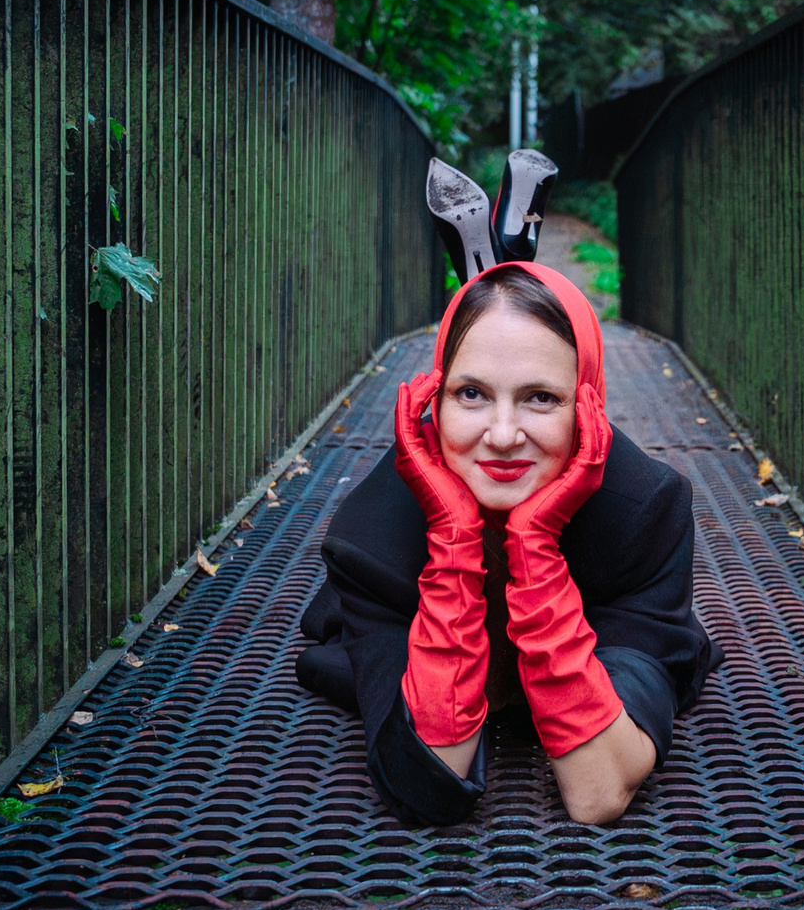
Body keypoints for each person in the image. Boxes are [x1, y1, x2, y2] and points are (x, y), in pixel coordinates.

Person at [296, 261, 719, 825]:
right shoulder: (374, 538)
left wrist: (535, 544)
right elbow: (425, 786)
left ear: (587, 407)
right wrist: (452, 542)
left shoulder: (644, 511)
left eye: (540, 398)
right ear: (434, 400)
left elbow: (598, 792)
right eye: (470, 393)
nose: (500, 436)